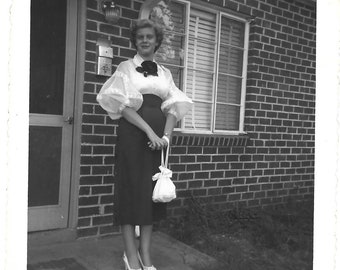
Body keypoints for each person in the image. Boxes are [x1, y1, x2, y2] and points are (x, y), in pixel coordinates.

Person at [96, 19, 193, 270]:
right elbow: (122, 106)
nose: (145, 40)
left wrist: (166, 138)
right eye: (140, 37)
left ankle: (145, 255)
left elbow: (172, 106)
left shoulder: (165, 73)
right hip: (134, 136)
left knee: (150, 197)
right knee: (131, 194)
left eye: (150, 36)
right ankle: (130, 256)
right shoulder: (125, 68)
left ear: (157, 41)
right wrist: (150, 131)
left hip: (159, 141)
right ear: (135, 41)